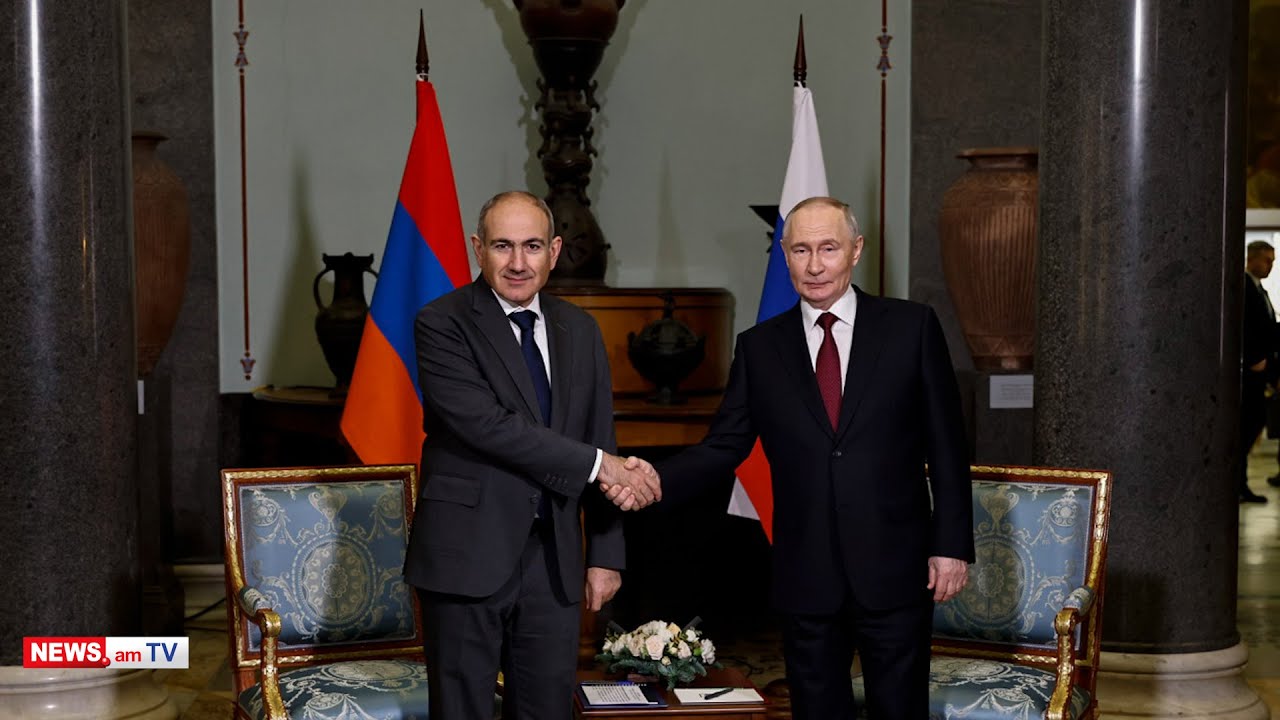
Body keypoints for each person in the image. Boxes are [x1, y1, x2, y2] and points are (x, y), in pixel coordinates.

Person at [612, 196, 974, 719]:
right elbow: (724, 445)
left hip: (896, 565)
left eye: (828, 248)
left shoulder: (910, 328)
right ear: (785, 255)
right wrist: (655, 477)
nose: (815, 265)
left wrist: (951, 546)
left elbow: (947, 446)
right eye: (801, 250)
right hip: (807, 571)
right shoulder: (759, 347)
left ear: (856, 250)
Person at [402, 190, 661, 720]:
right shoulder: (442, 322)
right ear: (478, 249)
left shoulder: (580, 329)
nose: (518, 262)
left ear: (554, 251)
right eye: (503, 246)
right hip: (466, 554)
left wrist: (605, 554)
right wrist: (602, 465)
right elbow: (489, 427)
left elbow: (600, 434)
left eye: (532, 246)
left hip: (554, 559)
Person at [1241, 240, 1276, 503]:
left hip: (1261, 369)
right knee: (1247, 426)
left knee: (1254, 423)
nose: (1270, 266)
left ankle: (1240, 484)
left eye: (1273, 261)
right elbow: (1245, 326)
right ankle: (1238, 484)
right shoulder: (1243, 286)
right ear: (1252, 258)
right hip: (1250, 370)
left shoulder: (1259, 289)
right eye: (1267, 260)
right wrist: (1255, 359)